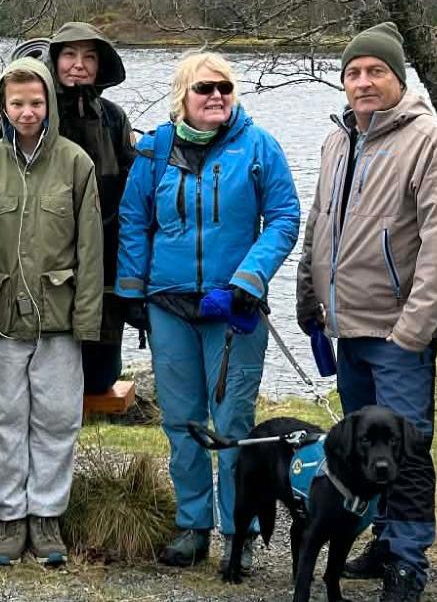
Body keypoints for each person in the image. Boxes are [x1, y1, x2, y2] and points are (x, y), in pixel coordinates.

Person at [294, 22, 437, 599]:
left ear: (399, 77)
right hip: (347, 327)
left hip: (397, 332)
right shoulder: (337, 139)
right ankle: (383, 539)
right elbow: (320, 222)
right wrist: (308, 293)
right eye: (353, 73)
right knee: (364, 449)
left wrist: (414, 328)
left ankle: (408, 562)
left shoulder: (430, 140)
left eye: (376, 71)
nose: (363, 82)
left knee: (407, 451)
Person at [114, 51, 300, 571]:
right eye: (204, 88)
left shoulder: (259, 146)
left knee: (233, 422)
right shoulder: (154, 150)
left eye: (224, 87)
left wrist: (250, 277)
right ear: (183, 97)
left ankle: (237, 531)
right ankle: (192, 525)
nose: (216, 95)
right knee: (181, 422)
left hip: (234, 307)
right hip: (168, 305)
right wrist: (132, 289)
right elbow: (133, 220)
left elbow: (284, 217)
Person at [0, 57, 102, 567]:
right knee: (4, 419)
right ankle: (9, 517)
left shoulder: (75, 163)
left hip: (58, 317)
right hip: (3, 318)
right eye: (17, 103)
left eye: (36, 102)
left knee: (57, 418)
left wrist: (87, 319)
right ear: (4, 106)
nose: (27, 112)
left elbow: (90, 249)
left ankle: (46, 516)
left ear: (49, 105)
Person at [47, 22, 138, 394]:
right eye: (69, 54)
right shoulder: (32, 114)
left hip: (103, 267)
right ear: (54, 61)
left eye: (89, 57)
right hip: (47, 267)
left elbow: (134, 193)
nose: (78, 65)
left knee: (99, 378)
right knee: (48, 376)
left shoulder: (114, 119)